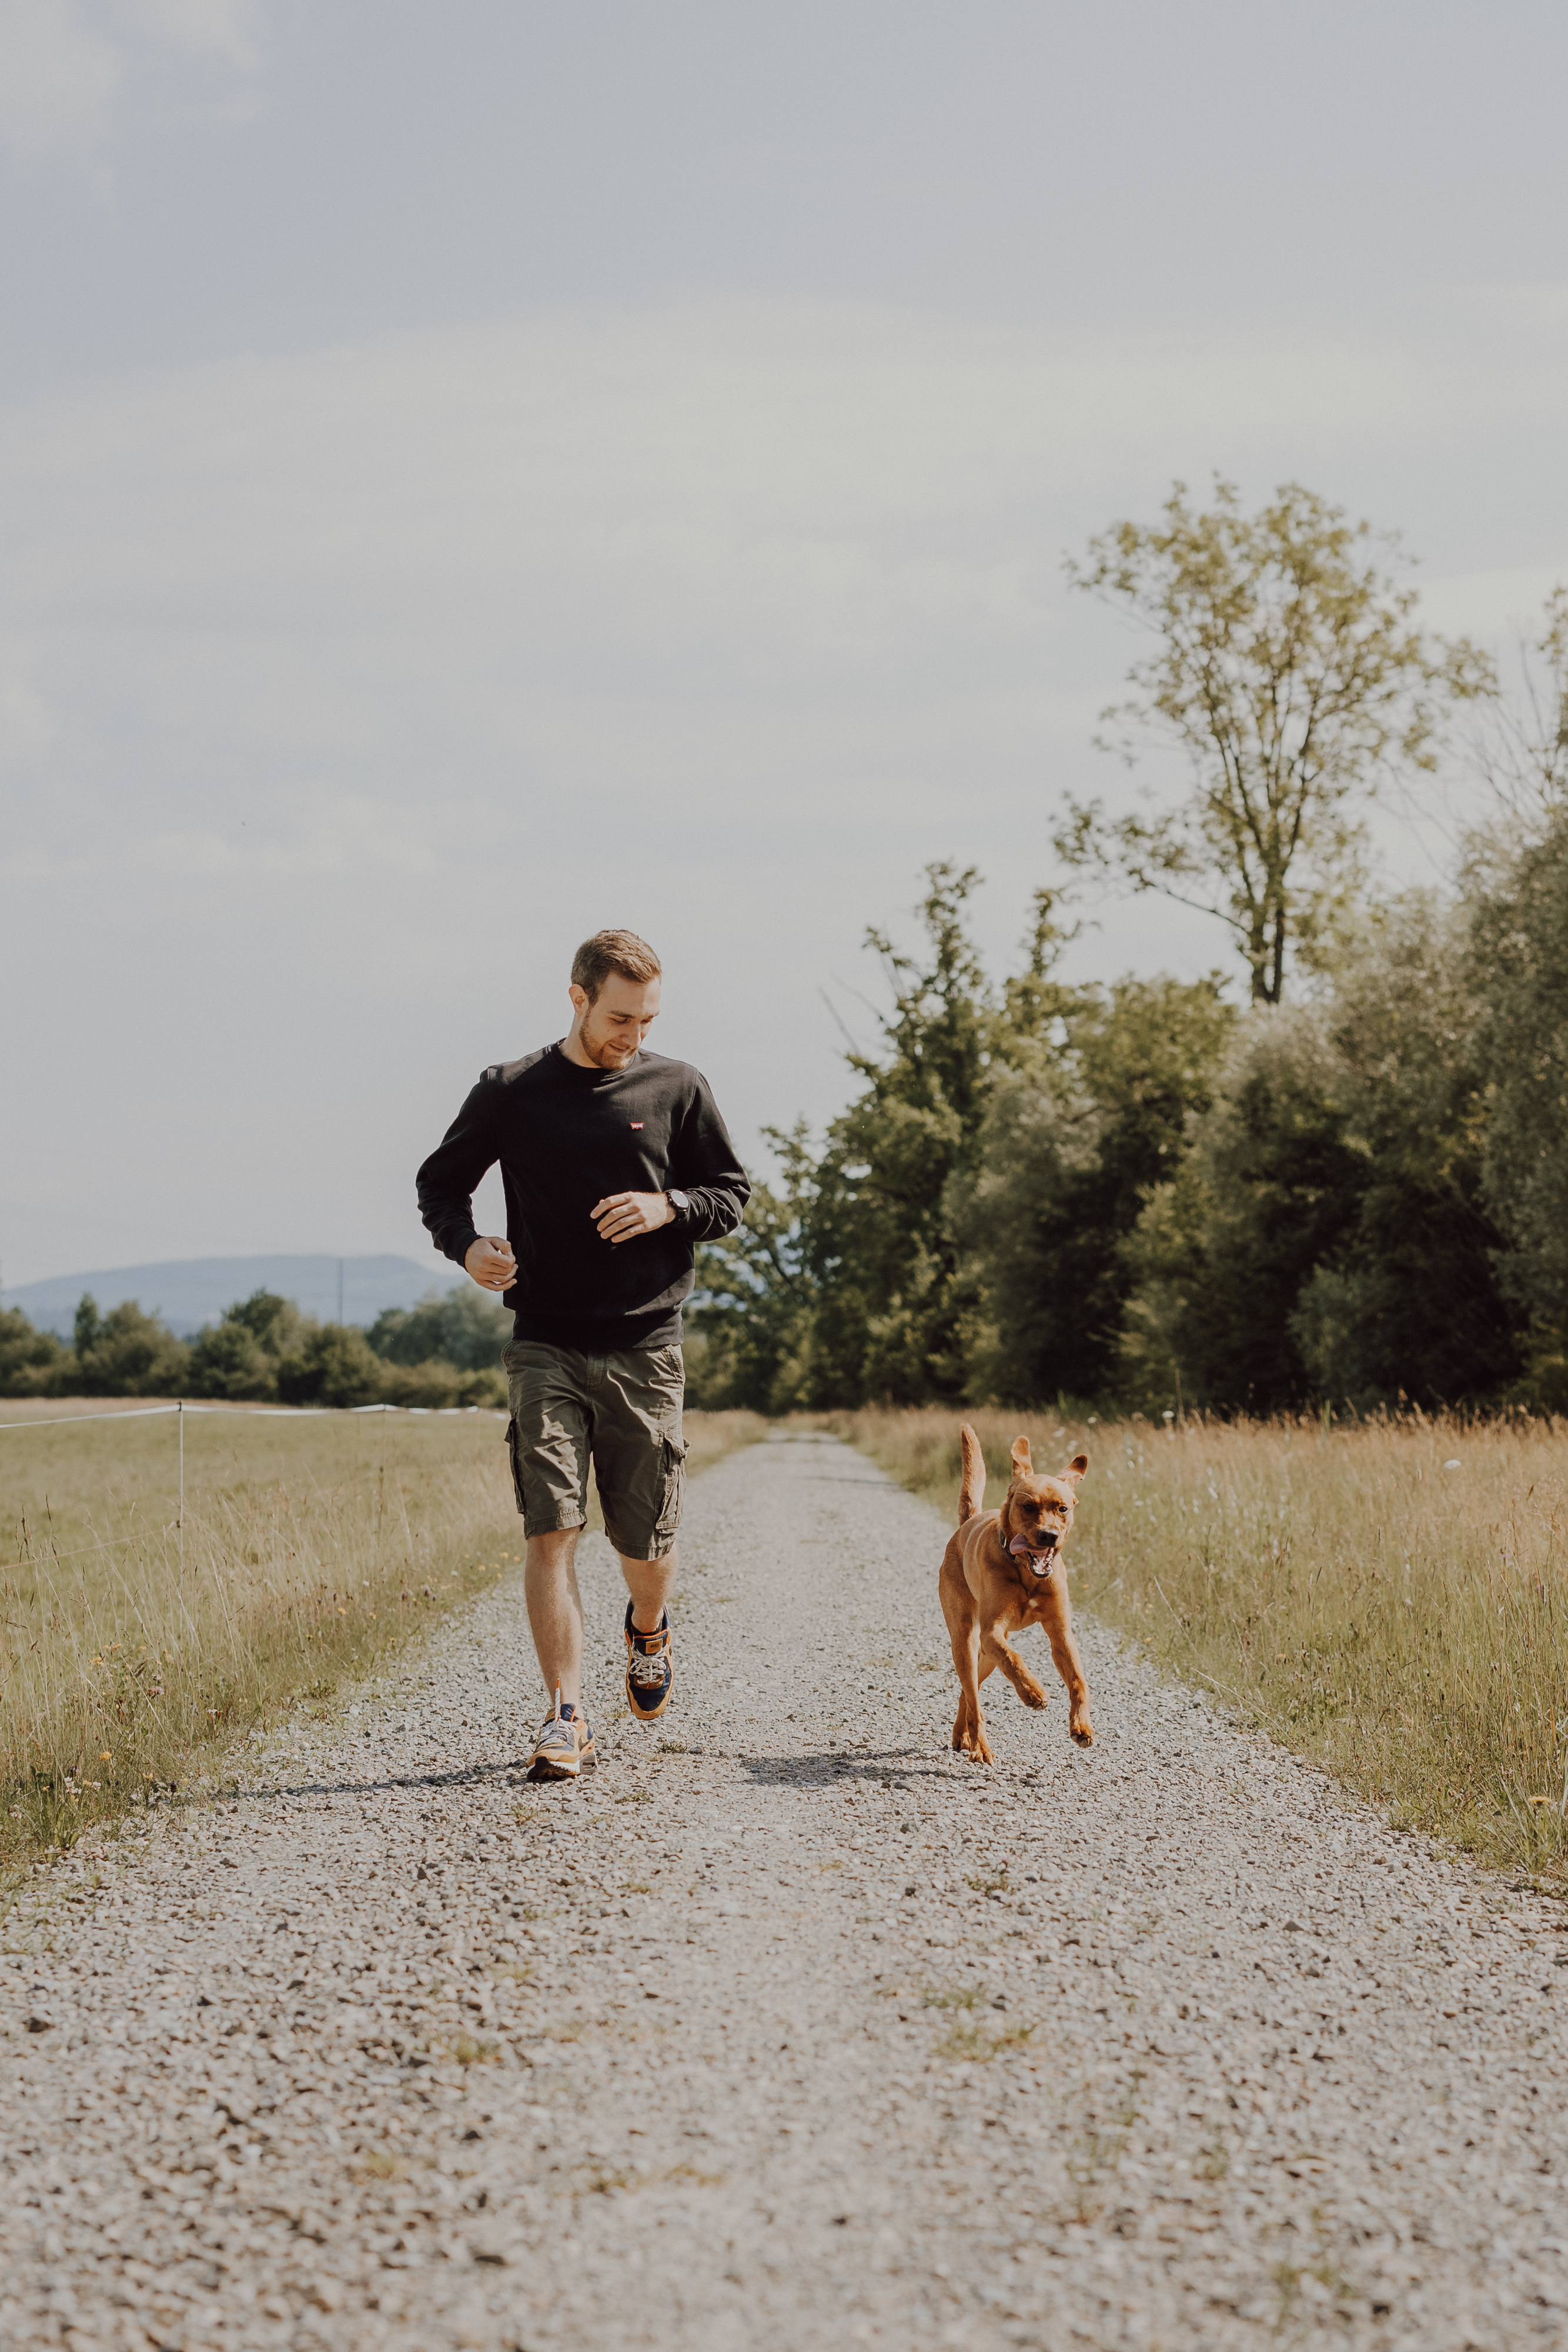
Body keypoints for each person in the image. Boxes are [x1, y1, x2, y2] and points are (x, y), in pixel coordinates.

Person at [416, 929, 750, 1780]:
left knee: (642, 1546)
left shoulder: (679, 1087)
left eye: (645, 1020)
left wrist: (668, 1206)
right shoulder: (510, 1091)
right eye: (617, 1017)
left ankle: (648, 1628)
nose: (632, 1035)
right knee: (552, 1527)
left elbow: (731, 1196)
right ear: (577, 998)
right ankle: (566, 1715)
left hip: (646, 1347)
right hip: (545, 1345)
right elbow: (440, 1185)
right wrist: (467, 1248)